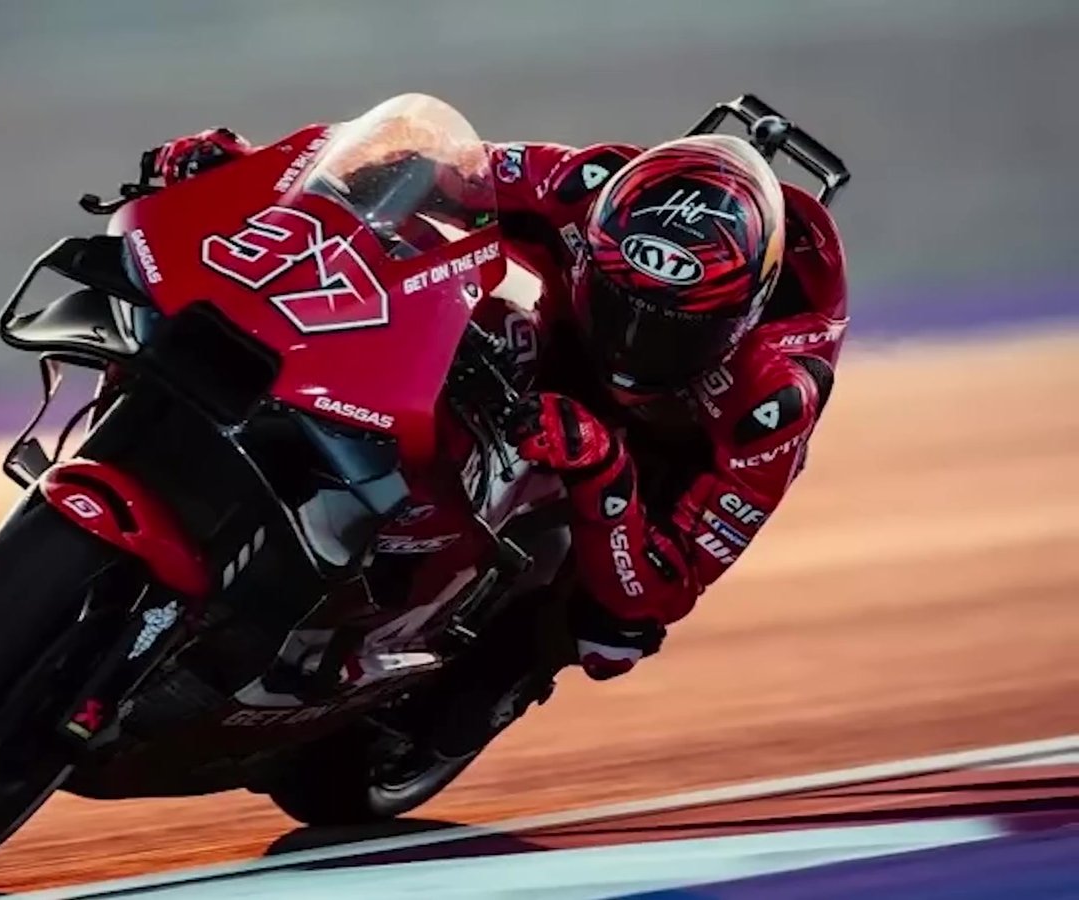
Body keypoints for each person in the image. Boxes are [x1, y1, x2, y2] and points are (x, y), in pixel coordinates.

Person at [152, 118, 849, 744]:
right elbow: (401, 167)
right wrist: (248, 172)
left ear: (744, 315)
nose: (632, 344)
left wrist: (606, 475)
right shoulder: (581, 182)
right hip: (530, 333)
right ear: (595, 238)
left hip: (653, 445)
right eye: (620, 304)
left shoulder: (775, 396)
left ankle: (457, 680)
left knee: (612, 636)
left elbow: (669, 585)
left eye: (672, 332)